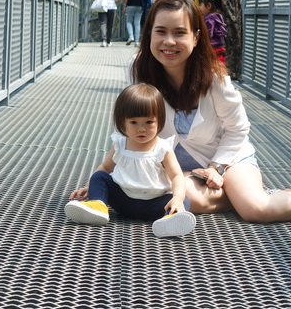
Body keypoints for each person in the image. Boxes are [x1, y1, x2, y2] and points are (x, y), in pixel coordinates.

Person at [128, 0, 291, 226]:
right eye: (160, 31)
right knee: (178, 194)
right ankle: (252, 194)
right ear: (149, 33)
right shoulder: (138, 70)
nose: (169, 41)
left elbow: (237, 130)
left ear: (196, 37)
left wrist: (217, 168)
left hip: (227, 159)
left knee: (255, 209)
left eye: (180, 33)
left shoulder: (213, 77)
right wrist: (104, 175)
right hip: (176, 167)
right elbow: (135, 124)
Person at [66, 83, 197, 237]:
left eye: (149, 122)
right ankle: (98, 206)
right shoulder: (120, 144)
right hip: (123, 202)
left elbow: (176, 176)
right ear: (123, 122)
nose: (141, 129)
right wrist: (89, 187)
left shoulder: (163, 148)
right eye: (134, 122)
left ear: (159, 120)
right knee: (99, 177)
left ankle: (169, 219)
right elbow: (106, 167)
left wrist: (177, 198)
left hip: (155, 204)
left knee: (185, 200)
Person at [197, 0, 228, 64]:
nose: (199, 7)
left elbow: (207, 35)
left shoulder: (209, 19)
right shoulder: (219, 17)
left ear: (208, 6)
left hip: (212, 50)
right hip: (220, 49)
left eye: (200, 4)